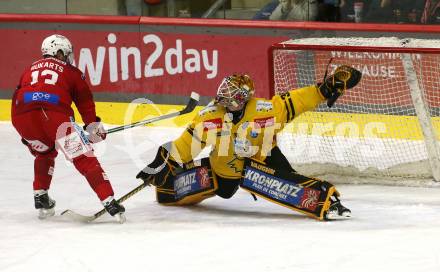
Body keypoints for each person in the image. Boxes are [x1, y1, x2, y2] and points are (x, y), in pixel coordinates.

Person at [136, 65, 362, 221]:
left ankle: (327, 201)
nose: (224, 96)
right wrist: (163, 162)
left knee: (286, 180)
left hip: (263, 155)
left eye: (231, 93)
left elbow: (299, 100)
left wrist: (326, 88)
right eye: (224, 90)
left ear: (244, 97)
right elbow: (185, 146)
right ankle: (169, 189)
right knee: (225, 190)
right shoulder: (210, 117)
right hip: (225, 165)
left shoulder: (265, 110)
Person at [11, 34, 126, 223]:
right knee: (84, 158)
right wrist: (93, 127)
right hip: (54, 116)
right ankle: (110, 201)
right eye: (67, 53)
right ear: (59, 52)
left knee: (45, 151)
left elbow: (20, 94)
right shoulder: (71, 71)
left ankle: (41, 196)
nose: (69, 57)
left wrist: (27, 133)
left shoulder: (29, 68)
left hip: (21, 116)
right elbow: (85, 102)